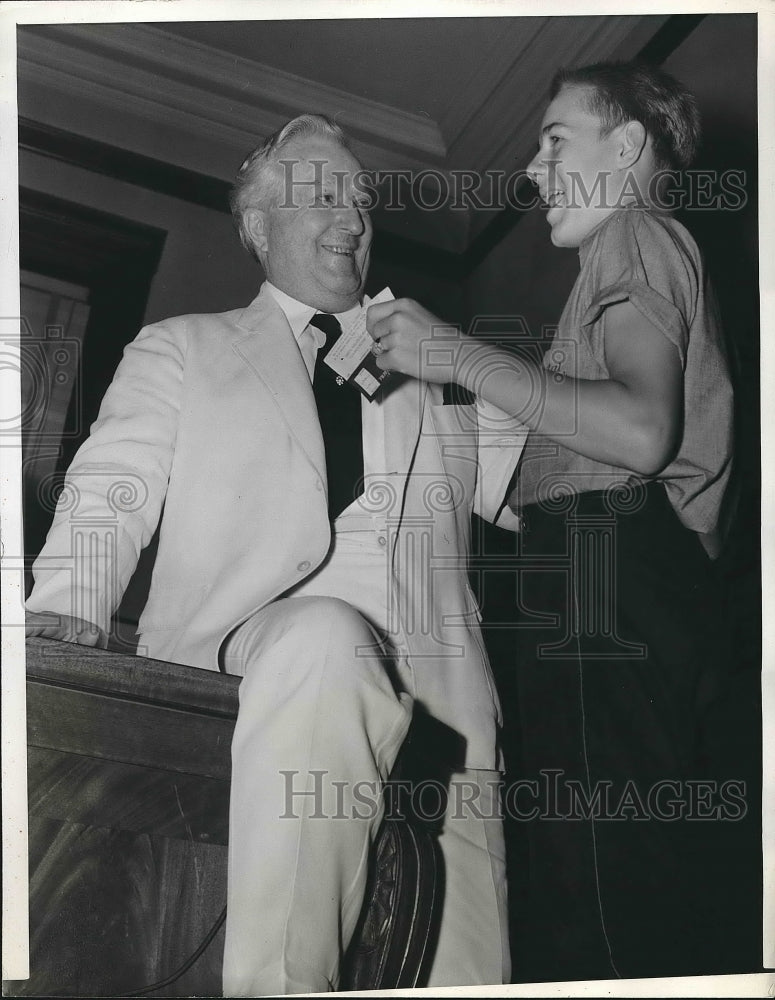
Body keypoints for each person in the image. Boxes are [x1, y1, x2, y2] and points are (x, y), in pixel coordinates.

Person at [25, 114, 526, 994]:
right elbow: (112, 487)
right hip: (243, 666)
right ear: (257, 227)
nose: (354, 214)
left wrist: (467, 357)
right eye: (323, 194)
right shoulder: (184, 347)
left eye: (362, 199)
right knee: (324, 638)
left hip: (441, 728)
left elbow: (541, 492)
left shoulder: (435, 361)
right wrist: (64, 609)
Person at [366, 62, 735, 980]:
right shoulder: (636, 254)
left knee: (598, 898)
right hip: (616, 573)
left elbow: (639, 430)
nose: (532, 172)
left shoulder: (636, 233)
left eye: (553, 140)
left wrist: (454, 353)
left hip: (605, 564)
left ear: (627, 146)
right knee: (610, 883)